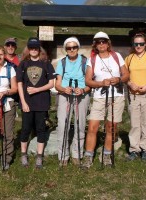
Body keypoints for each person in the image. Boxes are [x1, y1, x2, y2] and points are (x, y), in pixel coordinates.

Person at [82, 31, 129, 168]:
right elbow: (88, 81)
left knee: (111, 126)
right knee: (93, 126)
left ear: (108, 43)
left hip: (117, 95)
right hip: (99, 96)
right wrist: (101, 83)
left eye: (103, 41)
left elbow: (126, 75)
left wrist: (118, 79)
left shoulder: (117, 56)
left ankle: (107, 154)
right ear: (95, 45)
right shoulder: (92, 59)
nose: (101, 44)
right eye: (98, 42)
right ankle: (88, 156)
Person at [16, 37, 55, 169]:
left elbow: (51, 83)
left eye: (36, 47)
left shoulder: (46, 64)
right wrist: (23, 102)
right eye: (31, 47)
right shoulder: (23, 64)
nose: (33, 50)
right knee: (26, 129)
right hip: (27, 103)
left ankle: (39, 156)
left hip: (42, 102)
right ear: (28, 49)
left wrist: (37, 89)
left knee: (40, 129)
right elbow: (19, 84)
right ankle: (23, 154)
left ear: (39, 49)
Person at [55, 37, 90, 166]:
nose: (72, 50)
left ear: (78, 48)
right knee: (62, 124)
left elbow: (90, 82)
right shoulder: (62, 62)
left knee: (80, 124)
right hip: (65, 95)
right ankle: (63, 155)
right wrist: (64, 89)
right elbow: (57, 84)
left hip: (82, 95)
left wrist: (83, 90)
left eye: (74, 47)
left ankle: (77, 154)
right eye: (69, 48)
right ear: (66, 49)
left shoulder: (85, 61)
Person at [125, 33, 146, 161]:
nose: (138, 46)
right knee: (134, 123)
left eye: (141, 44)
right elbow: (125, 76)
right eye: (136, 44)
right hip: (133, 95)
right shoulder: (129, 58)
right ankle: (134, 149)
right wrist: (130, 84)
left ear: (145, 44)